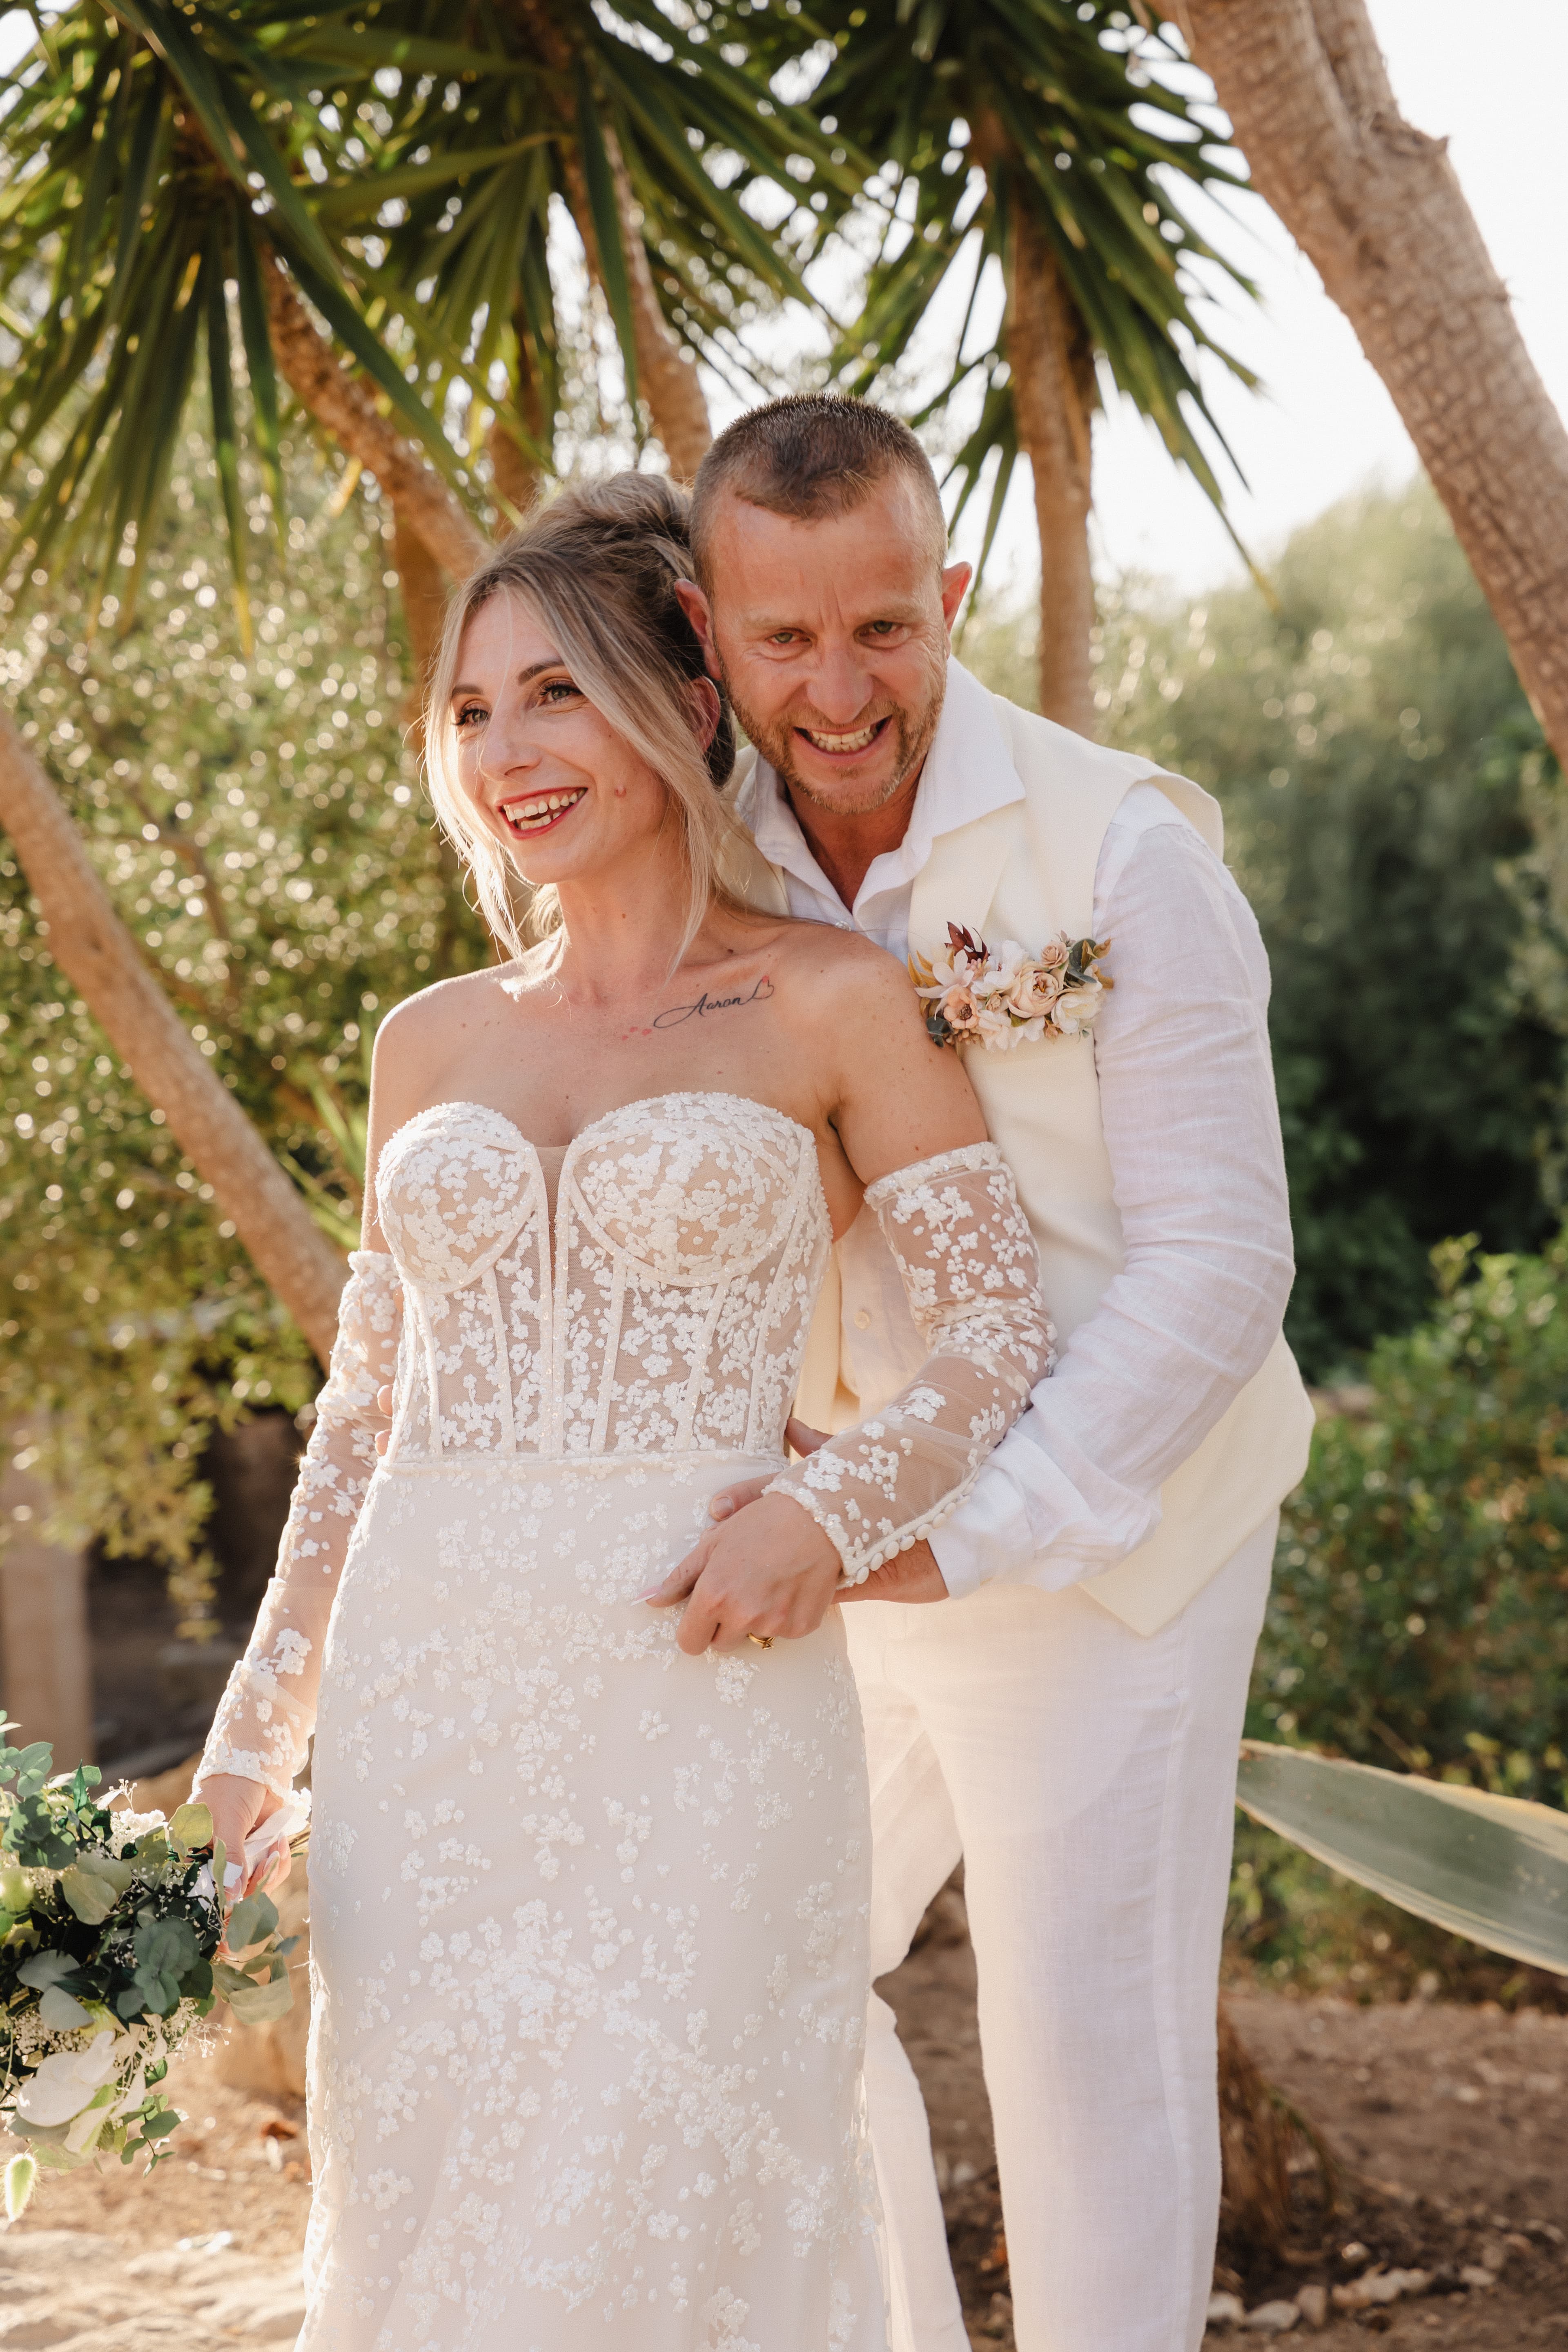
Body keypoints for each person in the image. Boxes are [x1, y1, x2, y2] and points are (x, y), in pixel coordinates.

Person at [192, 472, 1052, 2351]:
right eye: (475, 709)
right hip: (430, 1712)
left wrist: (823, 1521)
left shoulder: (833, 997)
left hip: (704, 1675)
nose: (509, 750)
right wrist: (257, 1744)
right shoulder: (426, 1039)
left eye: (556, 691)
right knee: (440, 2190)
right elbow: (362, 1418)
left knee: (689, 2170)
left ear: (675, 692)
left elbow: (997, 1329)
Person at [662, 395, 1316, 2352]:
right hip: (840, 1532)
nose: (841, 688)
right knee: (758, 1977)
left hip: (1114, 1540)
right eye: (786, 641)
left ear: (951, 596)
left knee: (1079, 2056)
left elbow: (1222, 1268)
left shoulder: (1123, 852)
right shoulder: (701, 861)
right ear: (708, 634)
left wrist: (986, 1529)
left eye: (886, 628)